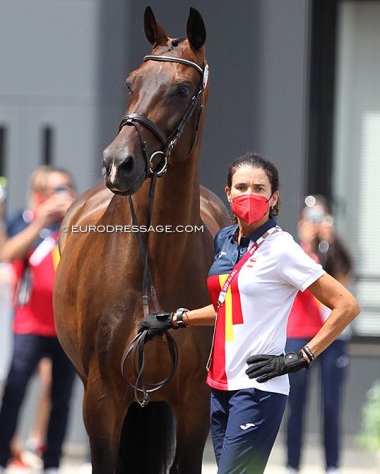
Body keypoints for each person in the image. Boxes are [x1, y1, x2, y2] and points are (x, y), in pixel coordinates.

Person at [138, 152, 360, 474]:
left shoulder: (282, 248)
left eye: (259, 188)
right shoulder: (224, 240)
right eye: (241, 187)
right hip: (219, 384)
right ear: (228, 193)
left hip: (258, 386)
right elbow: (226, 308)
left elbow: (347, 305)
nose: (250, 195)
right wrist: (176, 319)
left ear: (274, 198)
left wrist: (301, 357)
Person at [0, 166, 77, 474]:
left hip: (65, 328)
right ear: (41, 194)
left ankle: (52, 463)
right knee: (15, 392)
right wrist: (41, 222)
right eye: (59, 189)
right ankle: (3, 457)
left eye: (69, 187)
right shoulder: (24, 220)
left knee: (61, 398)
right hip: (29, 326)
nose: (66, 194)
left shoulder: (77, 225)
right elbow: (8, 253)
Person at [285, 195, 353, 474]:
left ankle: (333, 466)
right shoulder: (293, 252)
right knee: (296, 405)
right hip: (299, 335)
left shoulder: (334, 252)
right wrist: (306, 244)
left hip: (334, 338)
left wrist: (331, 242)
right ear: (302, 222)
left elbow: (343, 280)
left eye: (321, 218)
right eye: (311, 219)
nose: (315, 224)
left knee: (331, 406)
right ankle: (292, 465)